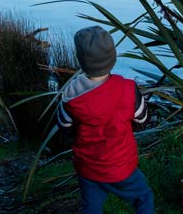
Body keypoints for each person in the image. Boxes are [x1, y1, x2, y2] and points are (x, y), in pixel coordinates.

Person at [57, 26, 154, 214]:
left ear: (81, 60)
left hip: (88, 167)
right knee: (144, 197)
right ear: (113, 58)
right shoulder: (128, 90)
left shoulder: (70, 95)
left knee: (91, 206)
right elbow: (143, 120)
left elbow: (64, 126)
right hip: (121, 166)